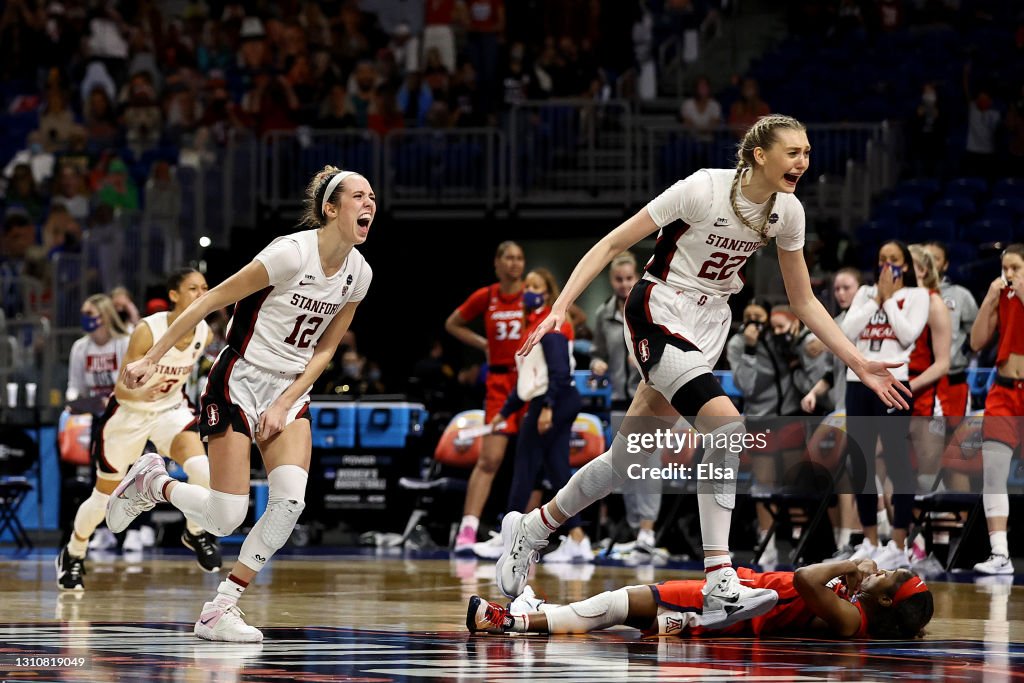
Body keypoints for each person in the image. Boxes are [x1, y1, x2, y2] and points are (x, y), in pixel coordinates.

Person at [498, 114, 911, 629]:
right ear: (760, 154)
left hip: (711, 320)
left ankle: (533, 528)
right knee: (727, 426)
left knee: (628, 461)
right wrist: (561, 306)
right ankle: (720, 577)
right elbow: (610, 244)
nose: (803, 162)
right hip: (660, 306)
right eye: (792, 152)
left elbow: (802, 300)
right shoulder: (702, 189)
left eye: (807, 152)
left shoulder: (789, 212)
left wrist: (858, 361)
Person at [107, 166, 375, 642]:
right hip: (240, 377)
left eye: (372, 197)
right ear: (331, 209)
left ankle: (221, 608)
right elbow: (210, 300)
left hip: (289, 389)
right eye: (358, 196)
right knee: (227, 515)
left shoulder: (360, 274)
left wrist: (288, 400)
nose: (370, 203)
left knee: (290, 503)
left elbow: (326, 349)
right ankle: (153, 483)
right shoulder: (290, 254)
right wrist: (152, 356)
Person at [56, 269, 219, 591]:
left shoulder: (204, 333)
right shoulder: (149, 329)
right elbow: (123, 388)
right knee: (102, 497)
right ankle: (73, 552)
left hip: (170, 411)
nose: (201, 293)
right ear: (173, 295)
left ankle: (195, 532)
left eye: (205, 287)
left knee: (204, 471)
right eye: (192, 288)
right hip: (129, 414)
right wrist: (142, 392)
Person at [468, 559, 933, 640]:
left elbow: (807, 579)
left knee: (616, 606)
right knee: (620, 608)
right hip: (735, 596)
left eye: (890, 577)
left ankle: (510, 623)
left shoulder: (853, 620)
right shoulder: (856, 607)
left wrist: (849, 563)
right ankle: (534, 613)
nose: (883, 571)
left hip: (731, 609)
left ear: (888, 601)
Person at [841, 241, 929, 569]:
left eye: (893, 260)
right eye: (882, 260)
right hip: (859, 381)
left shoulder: (917, 296)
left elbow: (907, 335)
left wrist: (889, 299)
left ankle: (899, 543)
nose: (887, 265)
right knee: (860, 460)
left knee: (895, 459)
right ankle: (870, 540)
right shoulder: (865, 293)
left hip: (894, 380)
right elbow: (847, 332)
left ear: (904, 265)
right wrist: (877, 297)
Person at [491, 267, 588, 562]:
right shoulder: (532, 325)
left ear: (547, 294)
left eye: (537, 287)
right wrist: (504, 413)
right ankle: (577, 538)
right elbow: (526, 383)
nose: (530, 292)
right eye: (527, 286)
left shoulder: (551, 323)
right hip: (550, 400)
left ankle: (509, 538)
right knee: (557, 470)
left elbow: (559, 373)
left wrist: (547, 407)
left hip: (554, 401)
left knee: (525, 466)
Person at [446, 241, 526, 555]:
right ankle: (467, 529)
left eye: (519, 258)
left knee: (529, 461)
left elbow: (573, 317)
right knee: (490, 458)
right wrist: (483, 344)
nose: (514, 263)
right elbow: (452, 323)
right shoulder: (488, 296)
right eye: (508, 257)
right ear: (497, 263)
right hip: (498, 381)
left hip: (529, 381)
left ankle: (525, 535)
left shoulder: (532, 295)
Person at [589, 251, 660, 553]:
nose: (624, 284)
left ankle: (647, 529)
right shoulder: (603, 314)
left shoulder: (650, 309)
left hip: (647, 396)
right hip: (619, 399)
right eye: (619, 279)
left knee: (649, 464)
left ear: (638, 278)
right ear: (611, 281)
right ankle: (634, 530)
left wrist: (644, 358)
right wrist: (596, 363)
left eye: (630, 278)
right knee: (625, 466)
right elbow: (598, 351)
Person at [968, 244, 1024, 575]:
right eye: (1006, 269)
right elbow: (976, 342)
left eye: (1016, 268)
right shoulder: (1002, 296)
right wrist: (990, 298)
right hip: (1003, 392)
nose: (1009, 275)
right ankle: (999, 554)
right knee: (993, 472)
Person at [801, 268, 863, 555]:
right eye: (837, 289)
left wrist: (824, 343)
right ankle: (844, 540)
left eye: (847, 287)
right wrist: (813, 393)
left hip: (863, 409)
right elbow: (829, 374)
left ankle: (861, 538)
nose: (841, 294)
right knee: (833, 476)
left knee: (859, 475)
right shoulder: (834, 321)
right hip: (840, 410)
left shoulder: (865, 320)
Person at [906, 244, 951, 499]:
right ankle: (889, 533)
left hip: (925, 393)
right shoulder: (892, 301)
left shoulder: (934, 303)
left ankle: (941, 534)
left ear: (921, 270)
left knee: (927, 474)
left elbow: (942, 363)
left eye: (906, 264)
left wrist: (908, 386)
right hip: (895, 390)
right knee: (880, 461)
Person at [922, 241, 978, 424]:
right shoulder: (910, 295)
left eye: (935, 258)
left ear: (945, 264)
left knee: (953, 446)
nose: (930, 263)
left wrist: (962, 355)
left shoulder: (961, 295)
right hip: (920, 383)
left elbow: (977, 336)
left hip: (954, 381)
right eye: (925, 258)